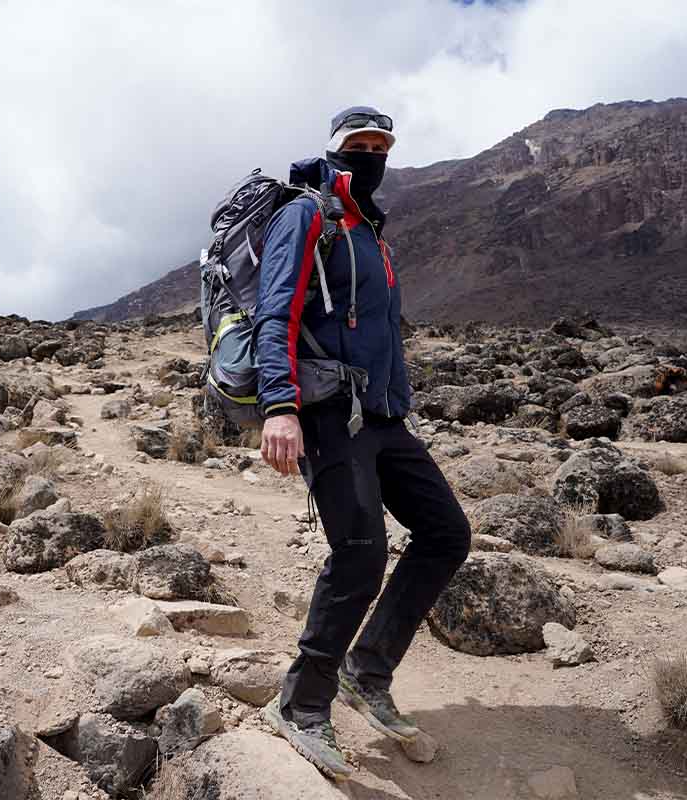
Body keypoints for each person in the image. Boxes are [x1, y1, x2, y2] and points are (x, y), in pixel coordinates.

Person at [254, 106, 471, 779]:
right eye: (359, 145)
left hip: (381, 419)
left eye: (382, 145)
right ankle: (299, 705)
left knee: (446, 532)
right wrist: (280, 407)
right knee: (359, 552)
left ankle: (366, 672)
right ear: (336, 149)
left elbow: (382, 334)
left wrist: (398, 403)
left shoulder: (372, 234)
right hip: (324, 415)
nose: (372, 153)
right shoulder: (307, 214)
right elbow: (276, 308)